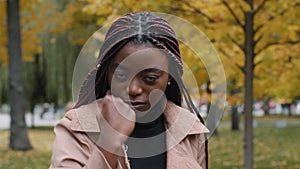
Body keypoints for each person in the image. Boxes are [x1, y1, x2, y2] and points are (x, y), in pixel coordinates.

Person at [50, 12, 209, 169]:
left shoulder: (190, 129)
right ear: (107, 73)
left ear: (170, 77)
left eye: (150, 78)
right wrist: (108, 143)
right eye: (121, 74)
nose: (133, 89)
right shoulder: (76, 128)